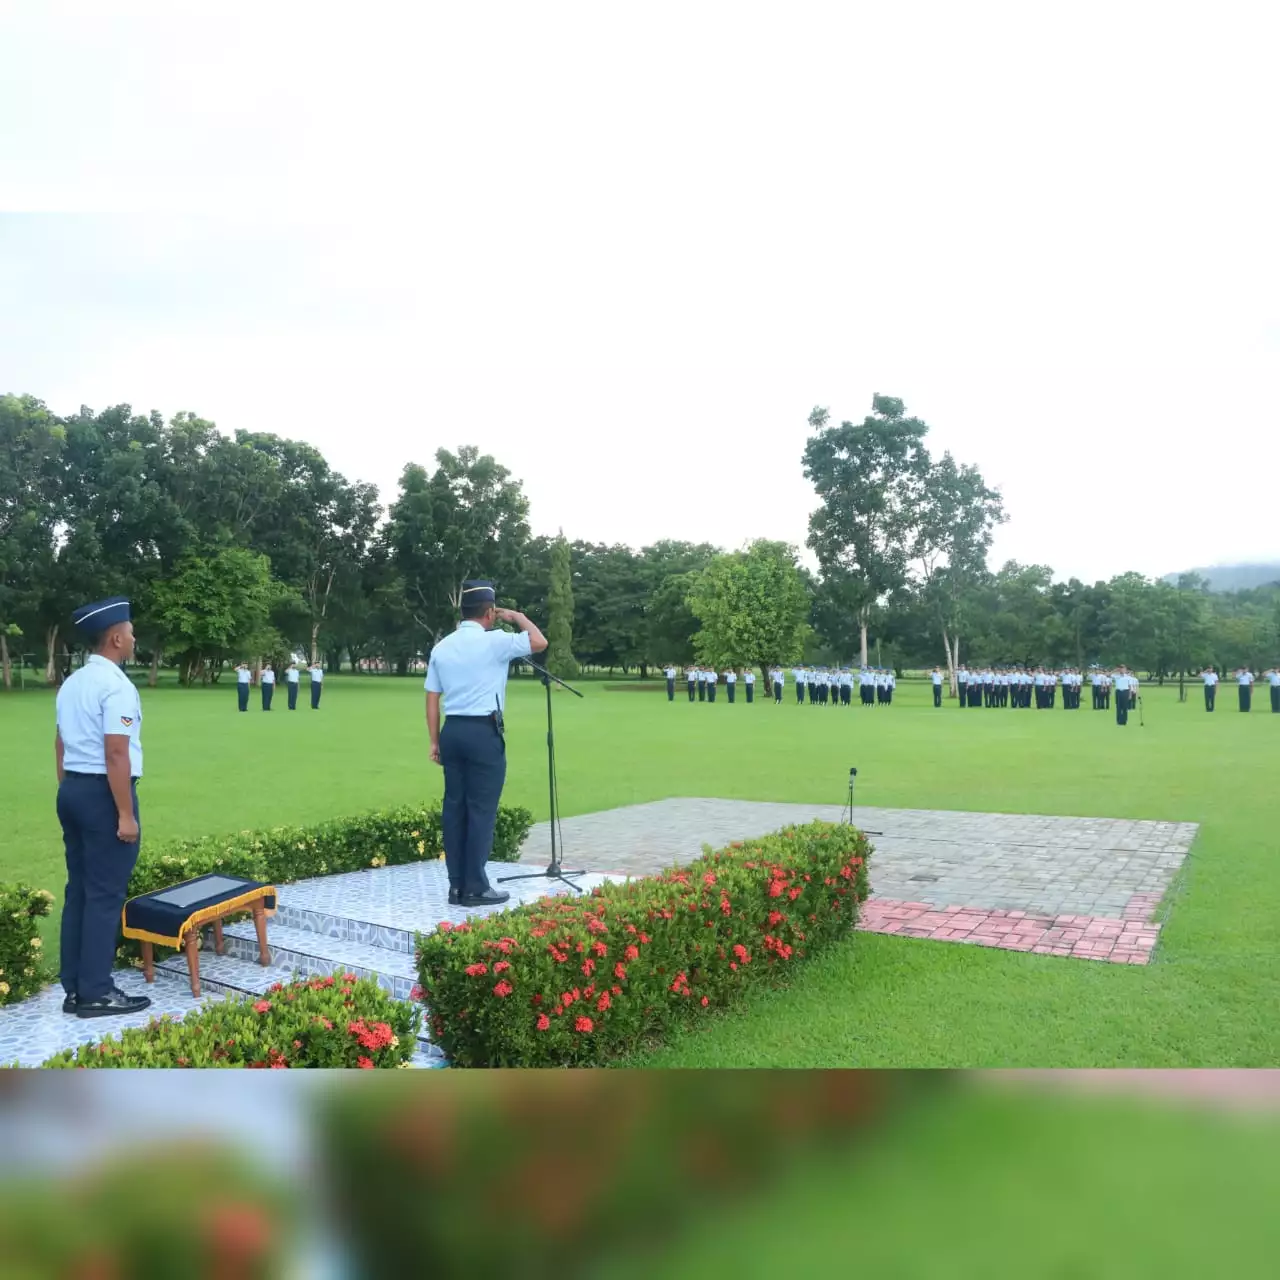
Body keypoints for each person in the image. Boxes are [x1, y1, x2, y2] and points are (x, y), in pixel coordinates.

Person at [54, 596, 152, 1019]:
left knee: (79, 891)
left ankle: (75, 987)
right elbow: (116, 752)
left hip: (74, 790)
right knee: (104, 896)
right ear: (115, 638)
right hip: (103, 794)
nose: (133, 638)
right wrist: (125, 813)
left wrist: (71, 789)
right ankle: (95, 991)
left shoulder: (73, 682)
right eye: (130, 632)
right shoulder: (115, 686)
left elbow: (60, 743)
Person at [425, 580, 546, 908]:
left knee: (454, 808)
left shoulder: (442, 647)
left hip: (453, 731)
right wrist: (518, 616)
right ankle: (476, 886)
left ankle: (455, 886)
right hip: (483, 731)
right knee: (480, 810)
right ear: (490, 612)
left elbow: (432, 698)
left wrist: (434, 741)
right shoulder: (496, 642)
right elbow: (539, 641)